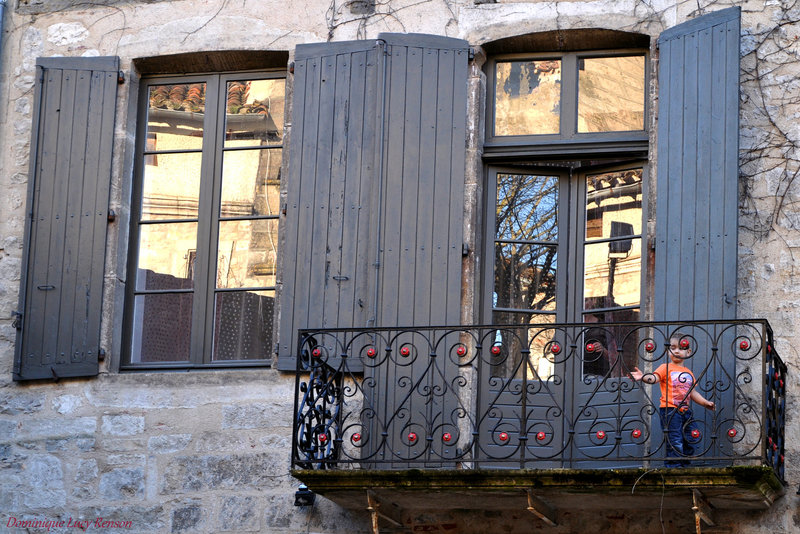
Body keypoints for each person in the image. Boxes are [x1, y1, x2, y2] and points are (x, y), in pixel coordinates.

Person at [630, 333, 715, 467]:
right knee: (674, 439)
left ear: (688, 352)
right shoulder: (665, 367)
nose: (676, 351)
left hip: (685, 411)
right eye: (673, 348)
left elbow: (692, 392)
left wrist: (705, 402)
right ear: (668, 350)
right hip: (670, 410)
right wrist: (643, 377)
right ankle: (674, 467)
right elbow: (654, 378)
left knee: (692, 436)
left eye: (681, 348)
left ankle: (685, 464)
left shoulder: (688, 372)